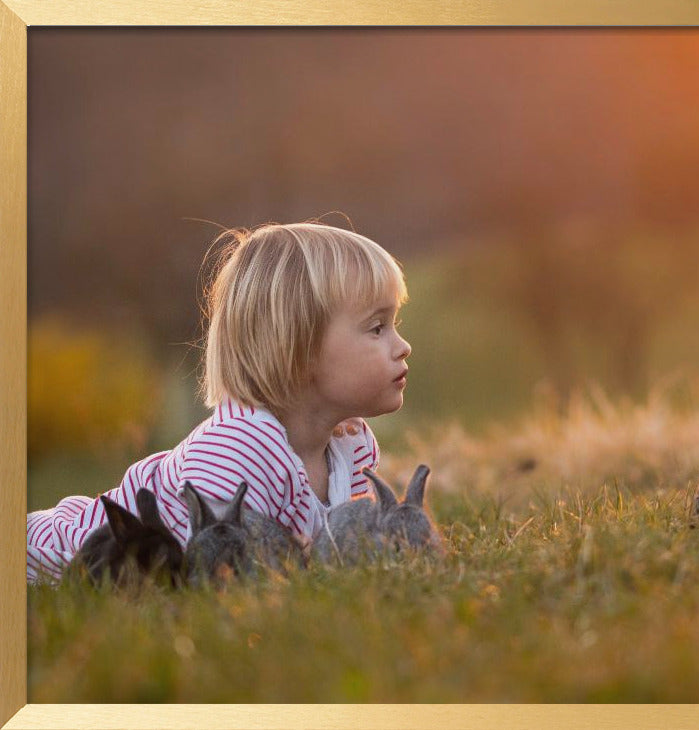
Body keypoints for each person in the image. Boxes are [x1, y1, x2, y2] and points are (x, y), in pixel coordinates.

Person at [27, 222, 412, 583]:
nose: (402, 346)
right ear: (297, 347)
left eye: (394, 324)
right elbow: (203, 569)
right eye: (377, 327)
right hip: (48, 549)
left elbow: (347, 552)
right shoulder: (236, 451)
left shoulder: (352, 446)